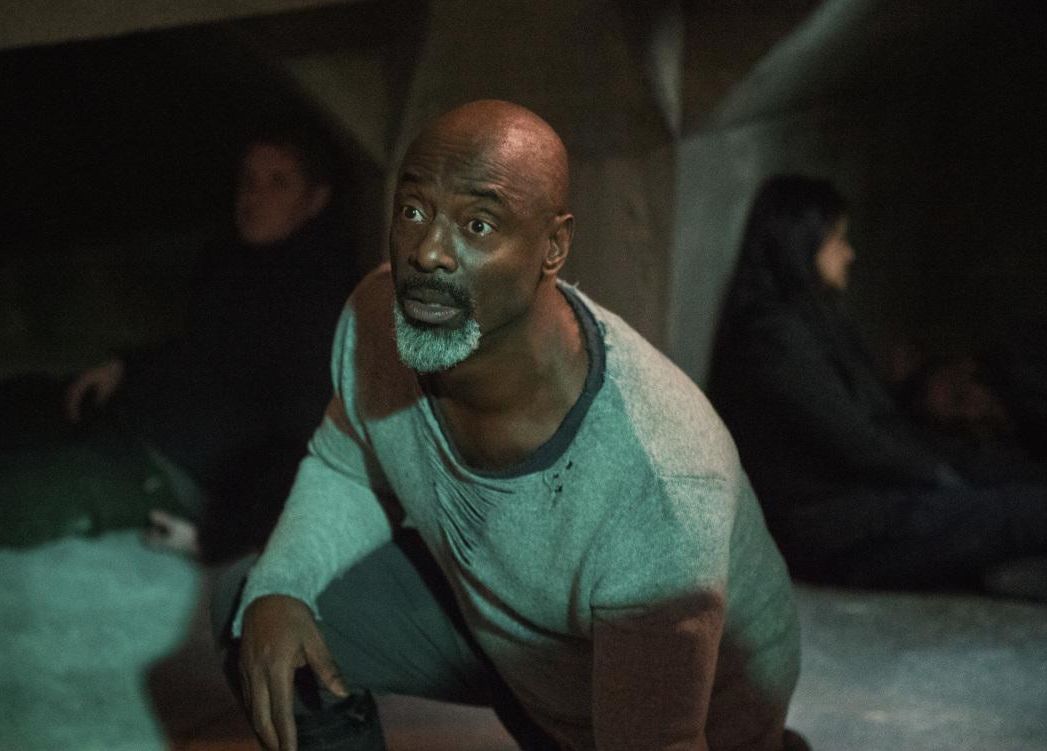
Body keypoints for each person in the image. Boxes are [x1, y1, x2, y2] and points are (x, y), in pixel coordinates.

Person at [213, 101, 804, 751]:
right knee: (255, 608)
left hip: (672, 724)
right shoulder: (379, 317)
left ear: (553, 248)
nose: (429, 252)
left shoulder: (657, 475)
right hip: (512, 645)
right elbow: (347, 465)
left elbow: (658, 739)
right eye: (413, 211)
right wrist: (282, 586)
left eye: (478, 224)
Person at [0, 122, 359, 559]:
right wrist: (125, 367)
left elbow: (300, 435)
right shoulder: (239, 263)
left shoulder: (321, 299)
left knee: (24, 492)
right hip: (136, 416)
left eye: (278, 183)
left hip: (174, 466)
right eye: (248, 181)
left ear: (315, 201)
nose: (254, 196)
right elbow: (202, 350)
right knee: (20, 406)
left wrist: (221, 536)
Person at [708, 174, 1047, 594]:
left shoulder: (815, 319)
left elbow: (879, 421)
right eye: (838, 240)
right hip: (831, 527)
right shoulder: (770, 338)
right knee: (1020, 512)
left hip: (862, 501)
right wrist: (941, 478)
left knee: (1006, 478)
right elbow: (851, 439)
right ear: (802, 243)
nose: (849, 253)